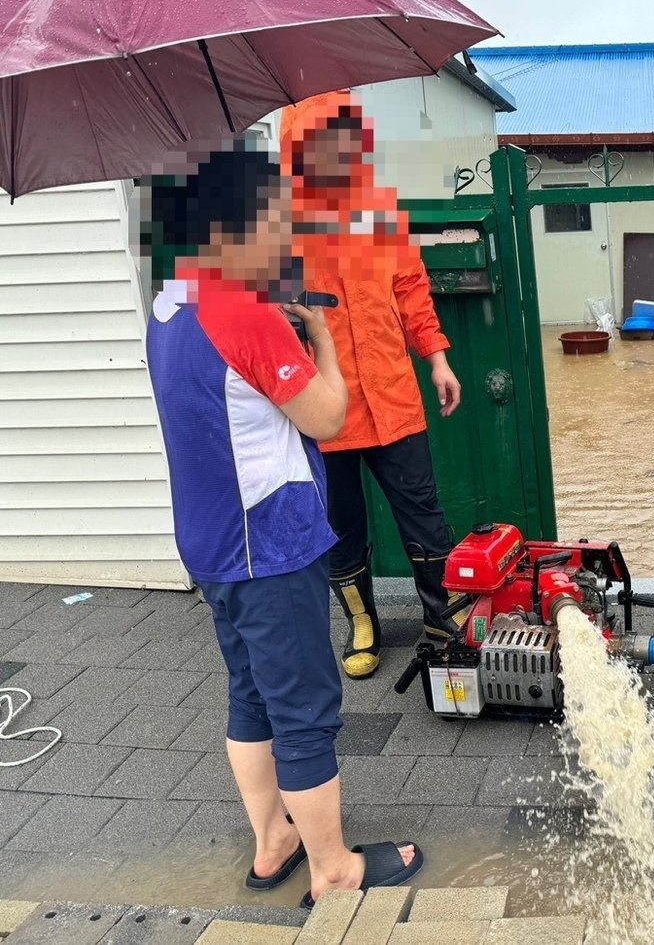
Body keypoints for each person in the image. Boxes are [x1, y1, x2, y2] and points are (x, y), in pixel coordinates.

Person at [143, 142, 424, 908]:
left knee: (251, 694)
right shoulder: (245, 314)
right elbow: (328, 417)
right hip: (268, 542)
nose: (287, 238)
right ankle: (334, 869)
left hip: (208, 544)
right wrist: (323, 346)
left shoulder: (170, 301)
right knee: (304, 707)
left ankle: (275, 842)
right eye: (275, 221)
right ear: (232, 228)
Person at [279, 92, 466, 680]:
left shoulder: (379, 209)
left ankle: (443, 619)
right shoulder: (276, 224)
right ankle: (364, 626)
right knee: (340, 525)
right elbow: (264, 319)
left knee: (424, 515)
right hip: (323, 406)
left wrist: (436, 357)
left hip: (392, 397)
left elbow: (411, 289)